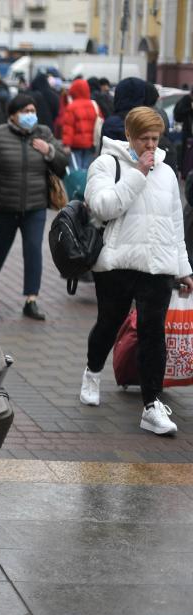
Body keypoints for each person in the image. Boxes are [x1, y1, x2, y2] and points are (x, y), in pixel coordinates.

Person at [80, 107, 193, 435]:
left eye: (155, 139)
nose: (149, 145)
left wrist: (183, 268)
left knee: (153, 332)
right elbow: (102, 207)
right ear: (128, 136)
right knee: (109, 323)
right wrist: (138, 173)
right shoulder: (107, 164)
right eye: (143, 138)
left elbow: (174, 225)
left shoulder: (168, 172)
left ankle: (152, 404)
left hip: (157, 265)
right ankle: (92, 370)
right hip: (117, 262)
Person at [0, 94, 68, 321]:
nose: (31, 115)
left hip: (35, 207)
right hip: (4, 206)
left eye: (32, 111)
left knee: (33, 250)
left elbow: (62, 165)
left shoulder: (43, 133)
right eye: (25, 111)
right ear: (13, 115)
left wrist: (49, 151)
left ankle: (31, 300)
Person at [62, 78, 100, 170]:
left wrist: (66, 144)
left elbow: (68, 127)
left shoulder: (71, 107)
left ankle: (77, 185)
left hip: (76, 145)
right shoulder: (94, 105)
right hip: (91, 144)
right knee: (86, 170)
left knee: (76, 170)